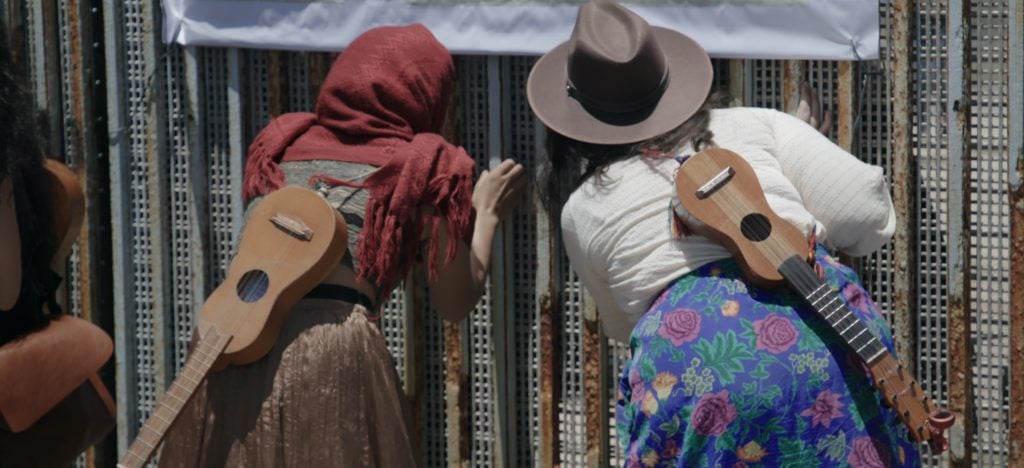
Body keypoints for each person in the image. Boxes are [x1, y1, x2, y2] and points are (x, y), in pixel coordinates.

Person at [527, 1, 920, 466]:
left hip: (692, 370)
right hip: (828, 331)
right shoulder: (755, 123)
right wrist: (798, 170)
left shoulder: (581, 209)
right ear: (667, 77)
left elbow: (622, 324)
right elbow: (866, 209)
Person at [158, 24, 526, 467]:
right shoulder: (425, 167)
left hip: (229, 338)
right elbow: (455, 300)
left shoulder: (281, 143)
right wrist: (484, 214)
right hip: (328, 352)